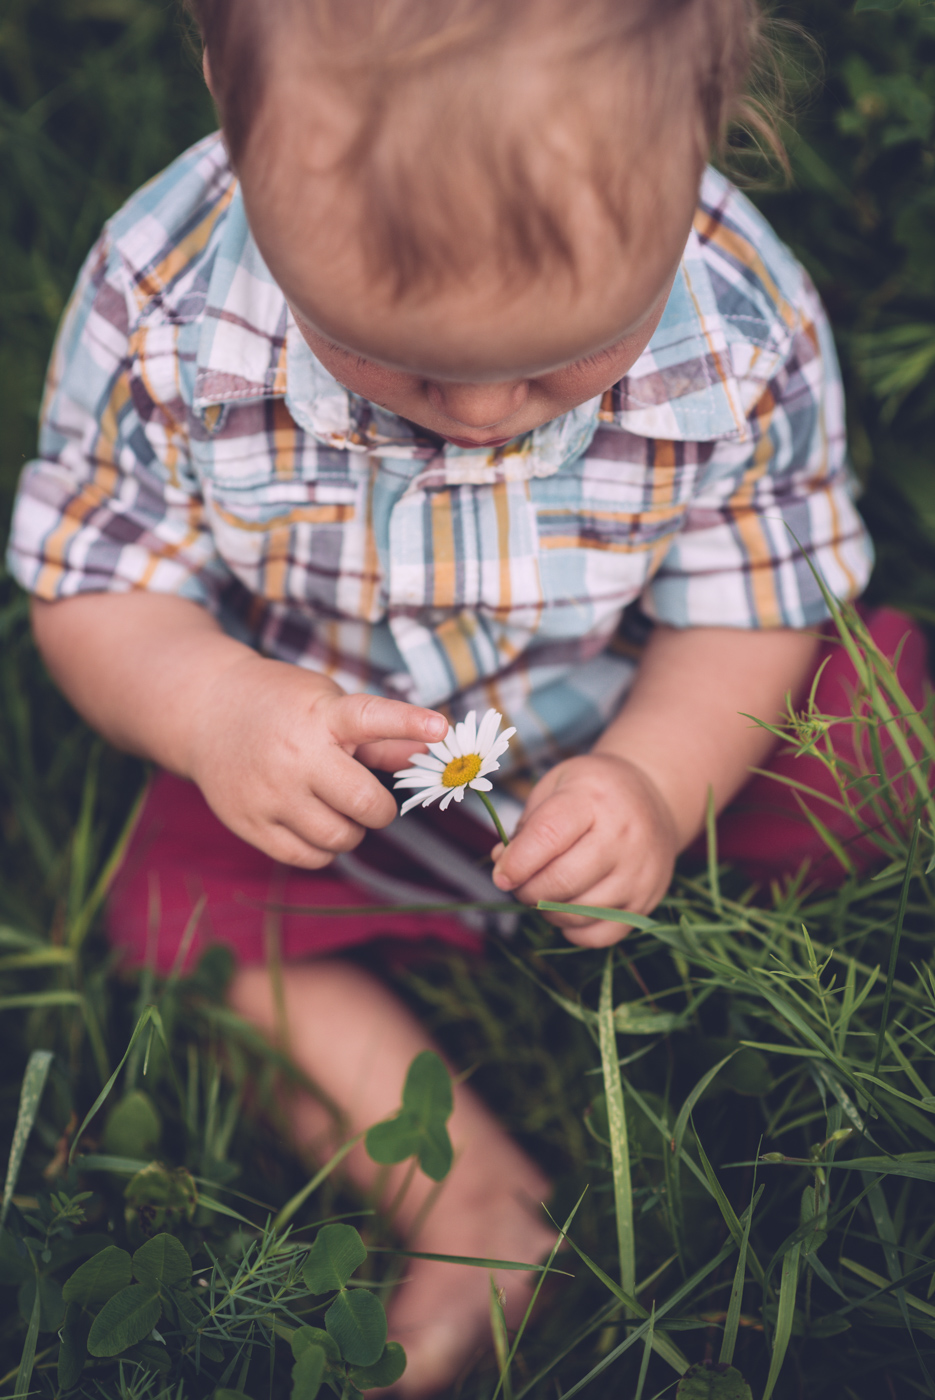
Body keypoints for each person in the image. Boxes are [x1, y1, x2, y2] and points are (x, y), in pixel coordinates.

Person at [8, 0, 900, 1391]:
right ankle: (468, 1199)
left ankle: (645, 870)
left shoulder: (739, 316)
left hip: (625, 706)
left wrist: (658, 782)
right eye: (401, 367)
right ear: (228, 102)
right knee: (179, 913)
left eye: (562, 363)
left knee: (872, 723)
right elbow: (93, 579)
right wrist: (215, 711)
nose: (485, 418)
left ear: (708, 122)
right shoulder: (164, 303)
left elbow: (750, 601)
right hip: (330, 766)